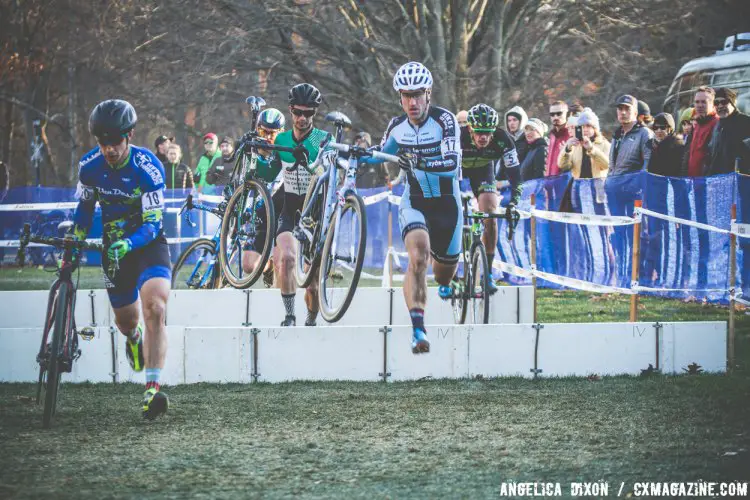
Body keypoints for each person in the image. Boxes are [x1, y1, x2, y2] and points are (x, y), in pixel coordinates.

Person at [72, 99, 171, 419]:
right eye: (103, 143)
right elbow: (84, 211)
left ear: (129, 136)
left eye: (115, 142)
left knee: (155, 306)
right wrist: (75, 241)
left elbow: (154, 222)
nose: (109, 149)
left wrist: (130, 242)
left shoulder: (149, 167)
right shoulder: (89, 167)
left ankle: (152, 389)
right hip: (113, 251)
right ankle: (134, 338)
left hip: (147, 245)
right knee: (127, 322)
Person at [363, 61, 462, 354]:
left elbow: (453, 164)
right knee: (417, 255)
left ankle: (445, 281)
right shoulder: (397, 126)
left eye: (418, 95)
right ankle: (418, 330)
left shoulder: (445, 121)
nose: (412, 102)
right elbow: (380, 155)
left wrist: (421, 161)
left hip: (447, 203)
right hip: (415, 199)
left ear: (428, 93)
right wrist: (354, 155)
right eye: (406, 95)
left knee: (444, 274)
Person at [269, 84, 329, 327]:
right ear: (291, 110)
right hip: (290, 207)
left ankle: (311, 319)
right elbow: (268, 170)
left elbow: (328, 173)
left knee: (312, 285)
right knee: (287, 258)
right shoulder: (281, 139)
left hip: (315, 211)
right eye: (297, 112)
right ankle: (290, 315)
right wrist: (253, 153)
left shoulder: (324, 139)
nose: (303, 118)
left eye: (309, 113)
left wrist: (310, 164)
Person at [460, 103, 522, 292]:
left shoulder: (503, 139)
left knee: (490, 214)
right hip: (458, 171)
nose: (483, 137)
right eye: (479, 132)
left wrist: (513, 202)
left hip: (483, 172)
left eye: (488, 132)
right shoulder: (457, 136)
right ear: (470, 128)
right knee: (451, 212)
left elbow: (515, 175)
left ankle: (487, 271)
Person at [241, 108, 286, 287]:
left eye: (272, 133)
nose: (267, 137)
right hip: (259, 212)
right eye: (263, 131)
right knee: (248, 265)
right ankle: (267, 268)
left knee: (282, 267)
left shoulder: (283, 150)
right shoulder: (251, 146)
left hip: (281, 211)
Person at [708, 87, 750, 175]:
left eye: (724, 102)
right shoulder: (717, 126)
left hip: (740, 182)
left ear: (733, 103)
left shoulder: (745, 122)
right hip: (719, 181)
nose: (720, 106)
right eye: (716, 103)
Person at [558, 108, 610, 179]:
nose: (585, 129)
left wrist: (591, 149)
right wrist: (567, 149)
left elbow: (607, 166)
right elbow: (563, 166)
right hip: (579, 186)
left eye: (588, 126)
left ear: (594, 128)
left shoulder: (604, 144)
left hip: (598, 186)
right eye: (582, 126)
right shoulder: (574, 144)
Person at [609, 95, 652, 176]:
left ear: (635, 112)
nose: (623, 112)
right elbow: (611, 166)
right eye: (620, 109)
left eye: (627, 109)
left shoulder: (644, 133)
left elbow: (648, 163)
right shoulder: (617, 134)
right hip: (614, 185)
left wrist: (638, 184)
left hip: (633, 187)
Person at [686, 86, 719, 177]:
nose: (700, 105)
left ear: (713, 104)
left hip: (707, 181)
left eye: (704, 102)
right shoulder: (697, 124)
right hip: (693, 180)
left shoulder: (717, 124)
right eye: (697, 102)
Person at [545, 100, 570, 177]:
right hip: (550, 182)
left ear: (567, 114)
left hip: (566, 183)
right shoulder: (552, 135)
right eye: (552, 114)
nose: (555, 117)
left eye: (559, 114)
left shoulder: (572, 134)